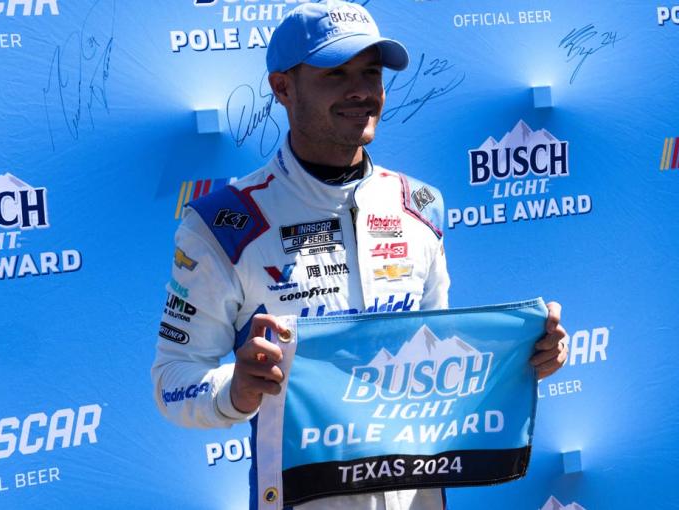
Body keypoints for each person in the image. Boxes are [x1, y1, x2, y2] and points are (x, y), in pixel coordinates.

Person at [151, 1, 568, 508]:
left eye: (371, 72)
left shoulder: (421, 207)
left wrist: (525, 357)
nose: (361, 91)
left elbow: (434, 355)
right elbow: (174, 380)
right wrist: (235, 391)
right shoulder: (221, 225)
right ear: (282, 87)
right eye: (336, 73)